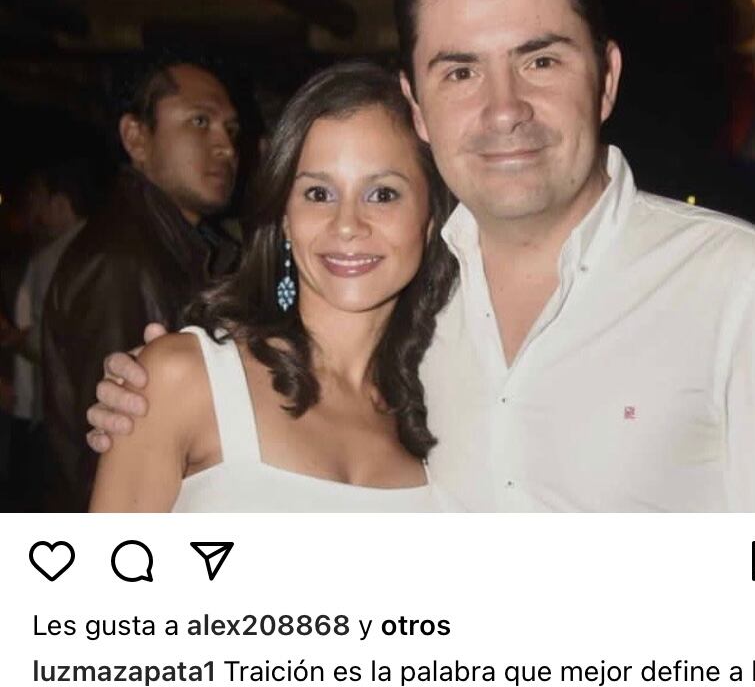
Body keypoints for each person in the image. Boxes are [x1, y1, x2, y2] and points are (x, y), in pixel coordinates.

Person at [88, 0, 755, 511]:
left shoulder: (733, 282)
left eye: (540, 60)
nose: (505, 109)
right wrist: (160, 395)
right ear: (417, 105)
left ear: (605, 79)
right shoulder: (414, 308)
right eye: (461, 72)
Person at [89, 61, 455, 512]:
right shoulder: (183, 379)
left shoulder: (449, 414)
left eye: (382, 194)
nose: (347, 225)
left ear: (430, 220)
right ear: (285, 217)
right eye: (318, 194)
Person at [43, 58, 242, 510]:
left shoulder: (189, 249)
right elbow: (109, 452)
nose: (225, 146)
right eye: (200, 121)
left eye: (231, 130)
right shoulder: (121, 260)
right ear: (136, 137)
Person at [0, 160, 88, 506]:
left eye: (37, 199)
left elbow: (54, 339)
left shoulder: (59, 257)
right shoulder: (61, 251)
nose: (32, 211)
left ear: (60, 202)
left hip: (50, 418)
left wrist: (16, 339)